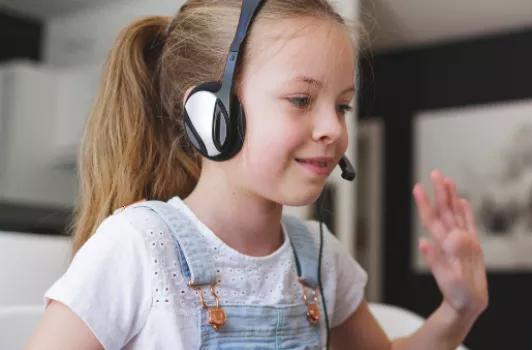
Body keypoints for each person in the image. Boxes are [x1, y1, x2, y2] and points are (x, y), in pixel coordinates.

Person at [26, 1, 488, 349]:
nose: (333, 128)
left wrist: (459, 310)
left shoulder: (319, 260)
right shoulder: (138, 246)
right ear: (211, 113)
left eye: (341, 106)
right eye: (301, 100)